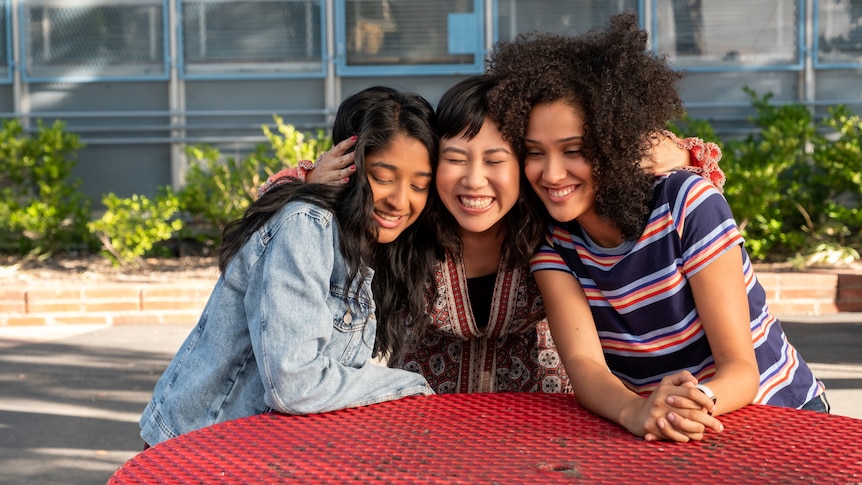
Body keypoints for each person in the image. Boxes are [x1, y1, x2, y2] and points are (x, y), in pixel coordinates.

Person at [484, 13, 827, 443]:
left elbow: (741, 370)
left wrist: (682, 407)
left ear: (614, 142)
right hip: (670, 430)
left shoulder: (687, 203)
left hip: (781, 414)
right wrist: (636, 411)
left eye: (574, 150)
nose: (552, 174)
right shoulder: (555, 241)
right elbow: (586, 366)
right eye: (535, 153)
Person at [261, 75, 721, 394]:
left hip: (548, 429)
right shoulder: (405, 222)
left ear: (525, 164)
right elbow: (270, 225)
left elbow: (693, 180)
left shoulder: (553, 225)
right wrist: (314, 182)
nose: (474, 181)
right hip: (423, 428)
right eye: (455, 159)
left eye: (496, 160)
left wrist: (660, 147)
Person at [139, 86, 438, 446]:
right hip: (197, 453)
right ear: (347, 165)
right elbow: (295, 383)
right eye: (383, 178)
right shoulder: (306, 225)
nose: (400, 200)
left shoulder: (368, 244)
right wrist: (408, 384)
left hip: (259, 455)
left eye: (419, 185)